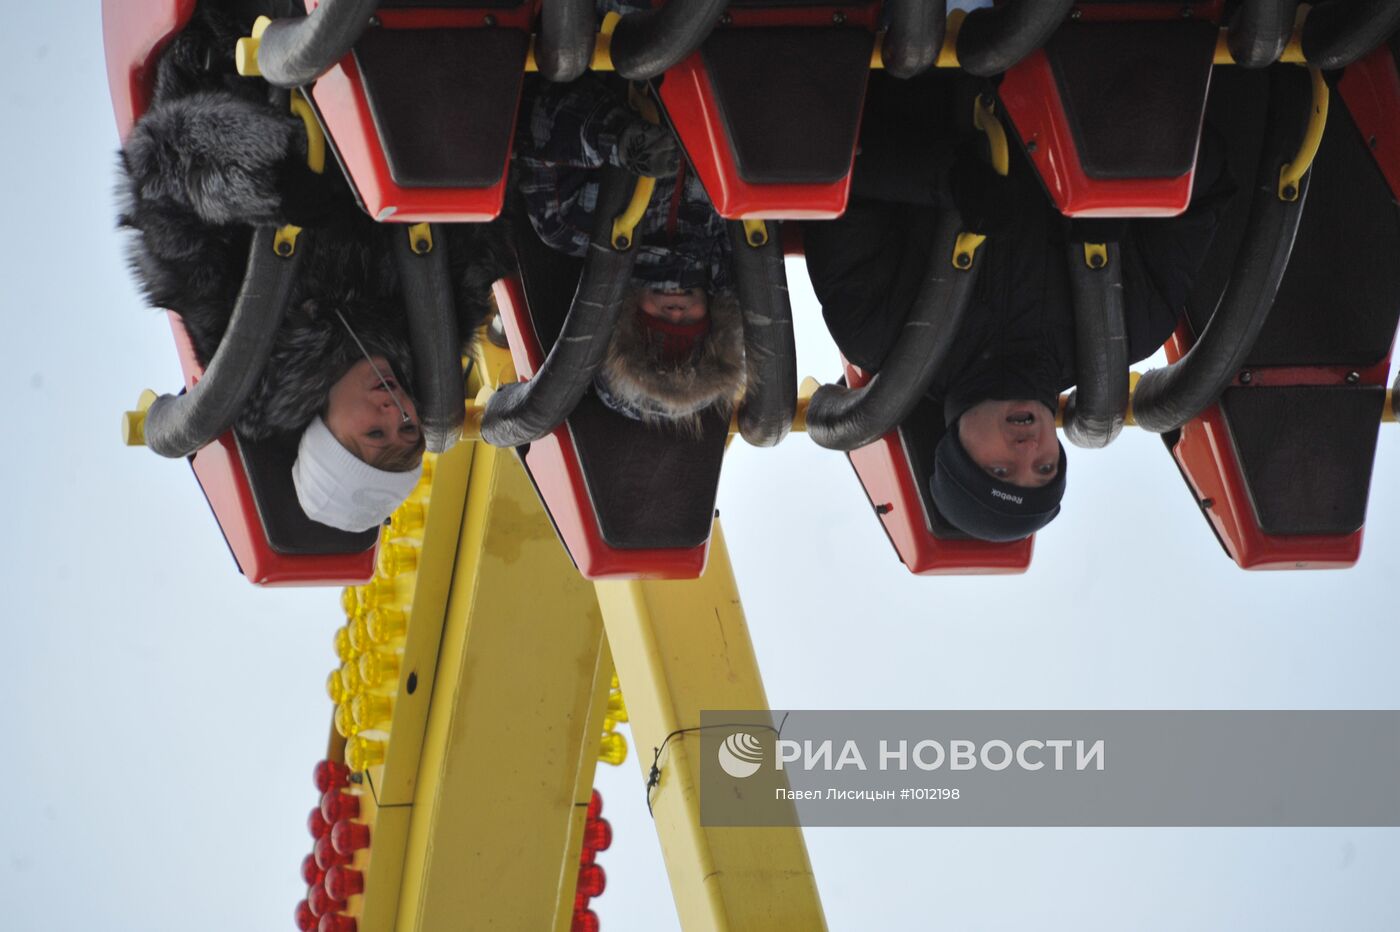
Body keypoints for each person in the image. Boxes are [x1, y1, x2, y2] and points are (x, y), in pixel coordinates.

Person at [118, 5, 509, 531]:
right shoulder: (438, 325)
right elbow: (489, 214)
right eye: (410, 432)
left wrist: (265, 178)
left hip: (242, 43)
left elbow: (158, 169)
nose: (396, 413)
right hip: (410, 57)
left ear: (325, 434)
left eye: (375, 434)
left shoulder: (246, 346)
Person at [805, 72, 1235, 542]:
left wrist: (949, 180)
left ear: (954, 450)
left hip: (920, 59)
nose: (1026, 447)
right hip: (1097, 58)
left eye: (1001, 469)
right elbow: (1209, 176)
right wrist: (1120, 182)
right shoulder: (1127, 326)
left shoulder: (877, 332)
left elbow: (828, 169)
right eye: (1044, 465)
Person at [514, 70, 744, 434]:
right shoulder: (738, 241)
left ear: (621, 324)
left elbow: (531, 121)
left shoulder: (570, 226)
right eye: (688, 324)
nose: (676, 310)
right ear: (713, 323)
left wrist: (615, 138)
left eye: (658, 326)